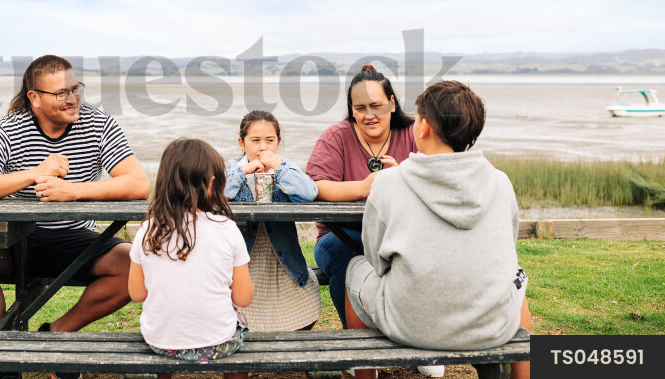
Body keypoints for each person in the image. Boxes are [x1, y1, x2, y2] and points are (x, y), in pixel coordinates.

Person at [0, 55, 150, 337]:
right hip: (17, 239)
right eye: (61, 93)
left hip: (76, 239)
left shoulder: (99, 124)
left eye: (75, 88)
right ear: (34, 97)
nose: (72, 99)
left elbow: (139, 184)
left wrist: (73, 192)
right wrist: (34, 173)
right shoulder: (7, 129)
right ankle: (0, 347)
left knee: (135, 264)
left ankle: (56, 333)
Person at [344, 81, 532, 379]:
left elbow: (375, 259)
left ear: (424, 128)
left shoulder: (389, 183)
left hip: (409, 324)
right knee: (518, 279)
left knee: (354, 268)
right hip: (491, 326)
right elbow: (506, 249)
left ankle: (365, 373)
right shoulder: (501, 182)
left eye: (417, 117)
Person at [128, 138, 253, 379]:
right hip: (218, 341)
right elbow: (243, 298)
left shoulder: (147, 230)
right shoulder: (227, 228)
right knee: (239, 327)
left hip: (161, 341)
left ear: (163, 182)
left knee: (164, 343)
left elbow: (136, 294)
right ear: (212, 184)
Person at [307, 65, 417, 327]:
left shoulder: (413, 133)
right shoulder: (336, 136)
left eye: (376, 106)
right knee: (348, 260)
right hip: (340, 235)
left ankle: (417, 336)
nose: (369, 115)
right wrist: (366, 186)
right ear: (351, 109)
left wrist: (404, 177)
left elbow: (436, 174)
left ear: (392, 104)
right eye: (360, 108)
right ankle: (358, 344)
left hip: (401, 234)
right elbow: (315, 187)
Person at [224, 110, 321, 331]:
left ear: (278, 143)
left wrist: (278, 166)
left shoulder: (286, 168)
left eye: (270, 140)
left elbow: (309, 192)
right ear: (242, 142)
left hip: (280, 255)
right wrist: (245, 170)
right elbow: (216, 192)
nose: (263, 147)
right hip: (244, 257)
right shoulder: (231, 169)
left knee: (304, 305)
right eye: (255, 141)